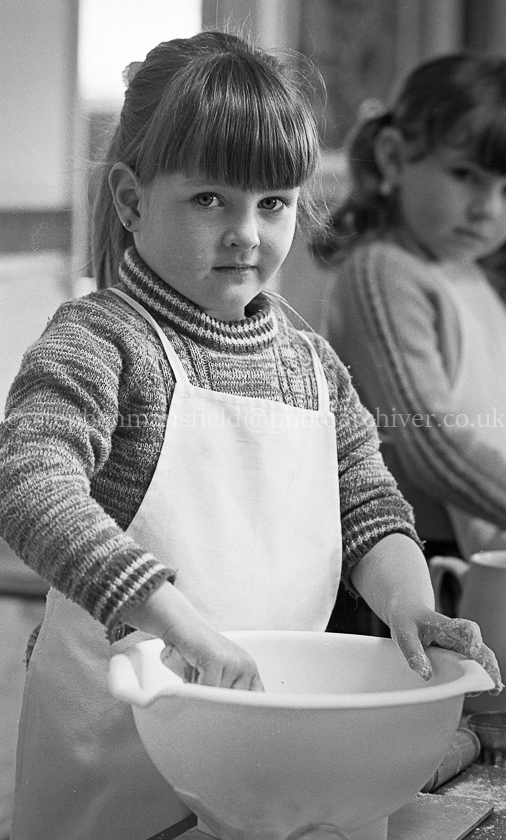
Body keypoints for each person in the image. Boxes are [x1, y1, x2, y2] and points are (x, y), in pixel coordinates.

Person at [0, 34, 501, 840]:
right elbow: (28, 482)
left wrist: (413, 607)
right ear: (132, 201)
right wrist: (178, 624)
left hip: (276, 751)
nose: (246, 234)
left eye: (272, 203)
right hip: (121, 762)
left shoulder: (312, 365)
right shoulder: (103, 342)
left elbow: (372, 510)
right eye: (209, 200)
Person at [317, 53, 506, 568]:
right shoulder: (383, 272)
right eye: (466, 175)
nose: (488, 208)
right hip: (416, 564)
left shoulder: (469, 275)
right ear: (395, 160)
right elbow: (429, 441)